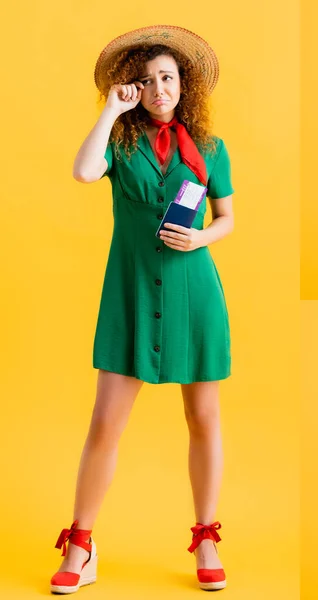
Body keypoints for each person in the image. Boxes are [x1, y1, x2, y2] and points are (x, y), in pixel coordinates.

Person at [50, 25, 233, 594]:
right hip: (130, 291)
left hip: (193, 292)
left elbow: (227, 218)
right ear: (134, 86)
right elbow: (83, 171)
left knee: (203, 419)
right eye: (148, 80)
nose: (160, 89)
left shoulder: (211, 148)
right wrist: (109, 110)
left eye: (169, 78)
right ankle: (81, 543)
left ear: (185, 86)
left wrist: (200, 240)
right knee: (105, 423)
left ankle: (206, 535)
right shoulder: (119, 143)